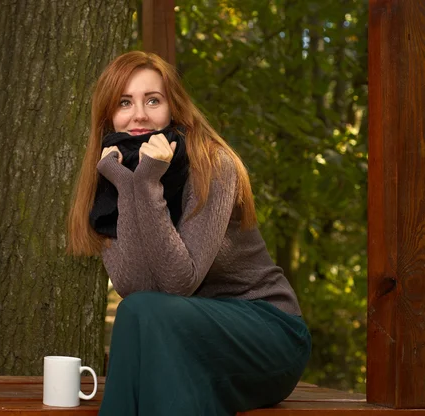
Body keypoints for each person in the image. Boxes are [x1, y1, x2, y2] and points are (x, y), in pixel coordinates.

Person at [67, 51, 311, 416]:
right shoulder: (109, 179)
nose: (139, 115)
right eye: (124, 102)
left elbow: (178, 283)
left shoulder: (212, 165)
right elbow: (136, 286)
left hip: (265, 333)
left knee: (143, 315)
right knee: (137, 311)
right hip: (184, 342)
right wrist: (126, 184)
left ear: (173, 108)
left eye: (153, 100)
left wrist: (147, 182)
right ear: (108, 116)